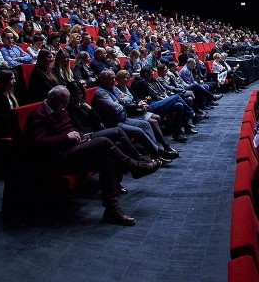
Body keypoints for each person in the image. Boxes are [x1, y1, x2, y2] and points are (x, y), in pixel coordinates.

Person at [23, 86, 161, 225]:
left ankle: (111, 210)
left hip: (72, 147)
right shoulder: (38, 115)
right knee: (103, 142)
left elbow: (70, 128)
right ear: (52, 99)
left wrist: (81, 136)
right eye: (64, 102)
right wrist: (67, 138)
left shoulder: (60, 108)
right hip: (56, 157)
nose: (66, 106)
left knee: (105, 159)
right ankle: (134, 166)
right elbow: (38, 143)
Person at [91, 70, 174, 161]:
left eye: (114, 78)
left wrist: (120, 102)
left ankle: (155, 153)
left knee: (145, 124)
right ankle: (157, 152)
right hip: (113, 123)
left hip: (124, 118)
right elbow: (115, 108)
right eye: (111, 79)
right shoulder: (101, 93)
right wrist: (121, 102)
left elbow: (127, 98)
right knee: (138, 130)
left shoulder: (113, 88)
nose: (114, 80)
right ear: (103, 80)